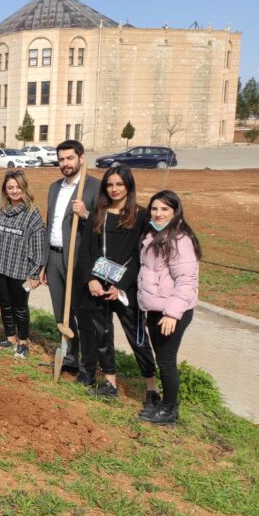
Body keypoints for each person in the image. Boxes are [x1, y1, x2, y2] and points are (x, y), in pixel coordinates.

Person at [75, 166, 157, 397]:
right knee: (102, 334)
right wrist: (91, 279)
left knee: (137, 336)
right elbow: (87, 251)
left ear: (128, 186)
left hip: (125, 288)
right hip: (98, 287)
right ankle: (109, 382)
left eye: (119, 184)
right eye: (110, 184)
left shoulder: (141, 216)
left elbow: (143, 255)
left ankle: (151, 387)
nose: (114, 189)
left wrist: (121, 285)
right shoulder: (98, 214)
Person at [136, 190, 201, 425]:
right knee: (162, 357)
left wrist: (172, 313)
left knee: (166, 360)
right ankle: (165, 405)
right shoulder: (154, 233)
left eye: (165, 209)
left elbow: (186, 281)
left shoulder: (179, 239)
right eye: (154, 209)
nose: (158, 213)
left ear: (175, 212)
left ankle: (169, 410)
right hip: (155, 309)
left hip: (170, 312)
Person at [40, 139, 100, 374]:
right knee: (60, 311)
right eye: (61, 159)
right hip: (54, 258)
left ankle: (88, 362)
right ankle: (70, 355)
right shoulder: (55, 187)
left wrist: (85, 214)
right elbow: (50, 225)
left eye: (69, 158)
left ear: (81, 158)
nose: (65, 163)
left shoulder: (94, 187)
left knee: (80, 311)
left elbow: (104, 226)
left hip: (77, 259)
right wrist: (44, 262)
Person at [0, 171, 46, 359]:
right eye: (10, 187)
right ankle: (10, 337)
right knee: (4, 304)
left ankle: (23, 341)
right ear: (5, 190)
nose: (15, 191)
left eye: (18, 187)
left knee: (20, 307)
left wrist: (34, 274)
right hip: (0, 267)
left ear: (24, 188)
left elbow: (38, 246)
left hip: (20, 270)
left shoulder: (32, 214)